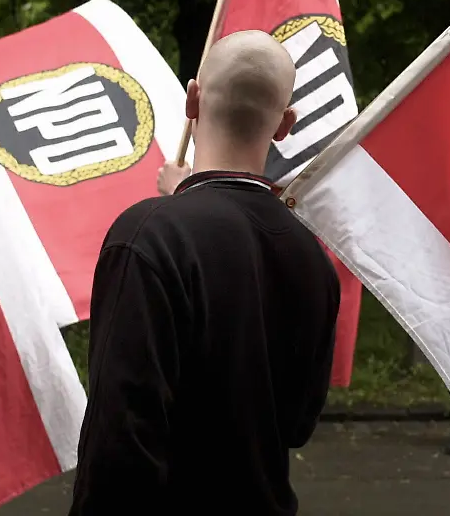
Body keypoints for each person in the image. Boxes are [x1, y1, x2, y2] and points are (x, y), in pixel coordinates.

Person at [69, 30, 341, 516]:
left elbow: (119, 437)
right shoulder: (311, 254)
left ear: (192, 99)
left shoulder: (148, 236)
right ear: (285, 124)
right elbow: (298, 424)